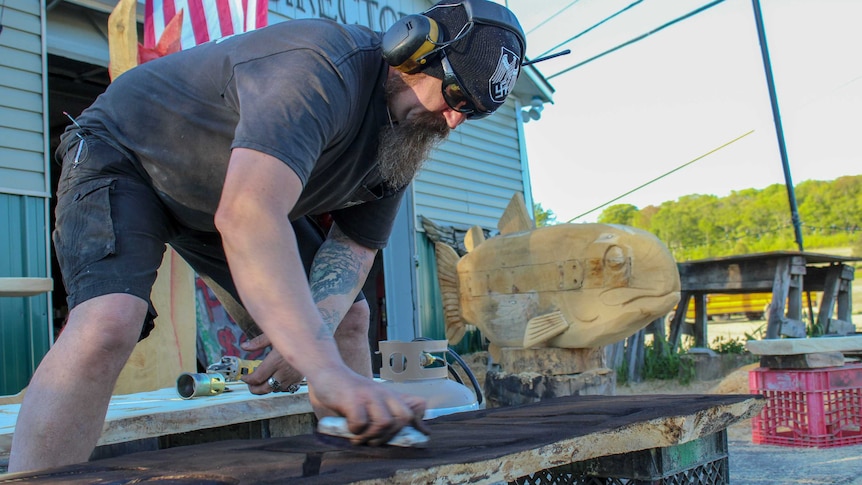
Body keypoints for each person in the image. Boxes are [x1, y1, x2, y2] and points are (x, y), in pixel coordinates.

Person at [8, 0, 525, 472]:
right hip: (126, 156)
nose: (454, 121)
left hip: (217, 198)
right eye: (456, 94)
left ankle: (357, 467)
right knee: (108, 324)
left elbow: (355, 247)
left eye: (474, 112)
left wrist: (310, 334)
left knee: (348, 317)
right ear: (410, 47)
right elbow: (250, 213)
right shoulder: (319, 66)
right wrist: (323, 368)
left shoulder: (408, 135)